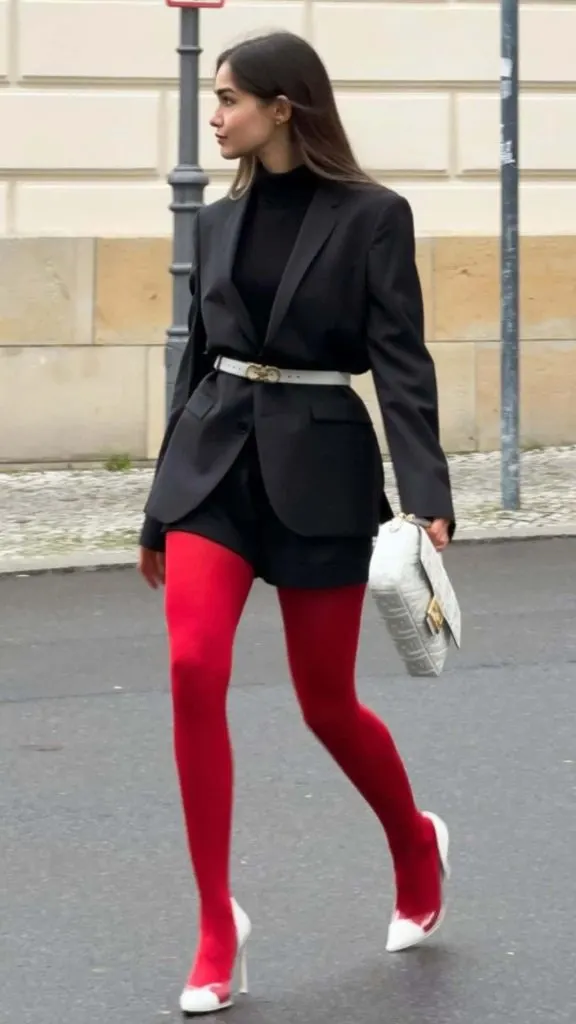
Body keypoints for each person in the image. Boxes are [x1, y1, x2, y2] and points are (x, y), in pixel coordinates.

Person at [139, 30, 455, 1016]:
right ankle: (213, 923)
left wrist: (427, 491)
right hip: (213, 460)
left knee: (326, 700)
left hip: (322, 461)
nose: (215, 113)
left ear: (284, 106)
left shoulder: (372, 217)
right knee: (194, 667)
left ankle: (415, 839)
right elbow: (194, 358)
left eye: (229, 98)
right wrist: (158, 504)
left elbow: (401, 358)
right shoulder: (220, 224)